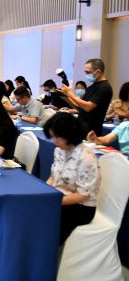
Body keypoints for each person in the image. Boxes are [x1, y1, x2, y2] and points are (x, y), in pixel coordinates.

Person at [44, 113, 99, 245]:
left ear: (69, 135)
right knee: (33, 210)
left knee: (44, 222)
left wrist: (53, 201)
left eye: (57, 137)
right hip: (60, 198)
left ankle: (48, 252)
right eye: (53, 137)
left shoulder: (86, 158)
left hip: (80, 207)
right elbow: (53, 177)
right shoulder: (59, 150)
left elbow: (83, 195)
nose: (54, 141)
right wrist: (45, 192)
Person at [59, 58, 113, 136]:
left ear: (98, 72)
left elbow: (88, 107)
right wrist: (66, 96)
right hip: (82, 128)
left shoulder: (104, 87)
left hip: (92, 131)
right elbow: (80, 107)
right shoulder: (92, 86)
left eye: (88, 72)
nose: (86, 74)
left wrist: (70, 93)